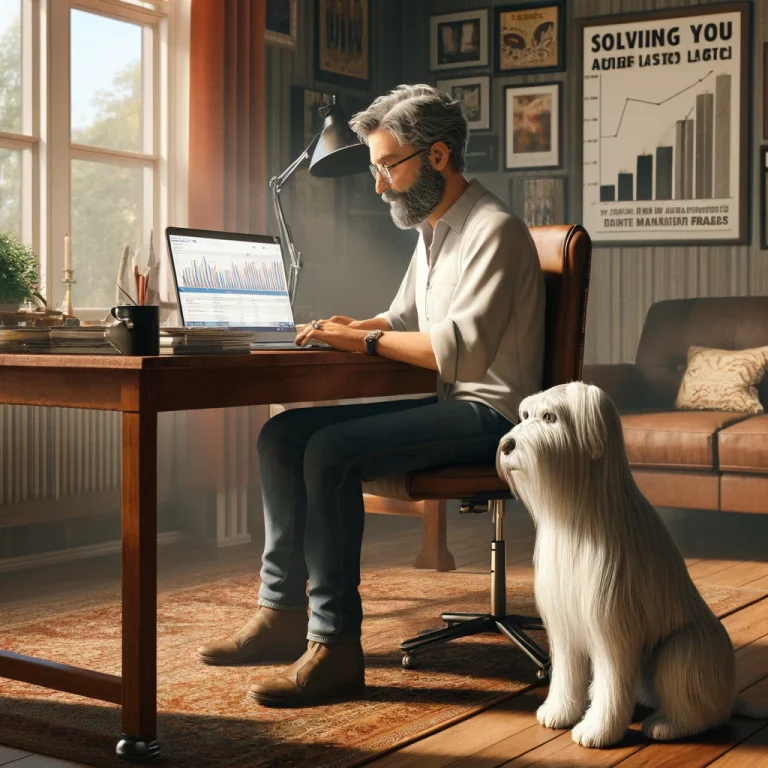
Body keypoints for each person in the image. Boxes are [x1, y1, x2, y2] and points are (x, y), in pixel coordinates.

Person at [196, 84, 546, 708]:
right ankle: (282, 614)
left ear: (437, 157)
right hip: (450, 404)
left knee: (330, 452)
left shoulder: (494, 229)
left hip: (493, 415)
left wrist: (358, 345)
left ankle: (335, 649)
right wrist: (354, 328)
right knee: (283, 436)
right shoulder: (434, 229)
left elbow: (450, 349)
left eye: (387, 166)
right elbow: (403, 316)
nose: (379, 185)